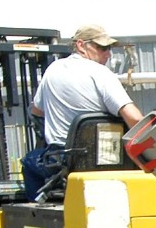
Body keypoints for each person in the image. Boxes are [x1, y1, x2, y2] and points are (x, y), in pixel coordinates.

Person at [22, 25, 144, 198]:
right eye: (102, 48)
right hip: (109, 157)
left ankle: (37, 206)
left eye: (108, 48)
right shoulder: (102, 74)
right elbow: (135, 118)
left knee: (29, 162)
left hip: (65, 159)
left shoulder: (53, 70)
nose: (108, 54)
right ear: (81, 45)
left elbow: (37, 111)